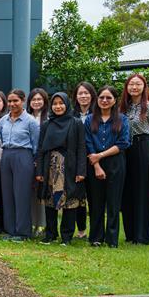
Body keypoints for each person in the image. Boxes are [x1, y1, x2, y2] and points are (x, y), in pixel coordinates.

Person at [35, 93, 86, 245]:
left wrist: (81, 171)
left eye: (61, 103)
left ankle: (66, 236)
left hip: (69, 167)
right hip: (49, 167)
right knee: (50, 201)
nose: (58, 106)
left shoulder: (76, 123)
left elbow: (81, 148)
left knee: (69, 202)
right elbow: (41, 149)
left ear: (67, 104)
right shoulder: (46, 124)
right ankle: (50, 234)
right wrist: (39, 172)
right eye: (55, 104)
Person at [85, 85, 130, 248]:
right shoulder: (90, 119)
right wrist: (96, 164)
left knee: (113, 202)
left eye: (108, 98)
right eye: (101, 98)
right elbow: (88, 142)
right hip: (94, 163)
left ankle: (112, 239)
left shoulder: (122, 119)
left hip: (115, 162)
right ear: (97, 100)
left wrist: (101, 155)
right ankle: (96, 237)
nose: (104, 101)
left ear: (114, 100)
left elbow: (123, 142)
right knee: (96, 203)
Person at [120, 73, 149, 245]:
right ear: (127, 87)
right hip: (125, 150)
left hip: (144, 147)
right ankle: (130, 235)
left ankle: (142, 236)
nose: (134, 87)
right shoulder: (123, 107)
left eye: (138, 84)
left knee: (143, 192)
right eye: (131, 84)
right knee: (127, 192)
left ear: (144, 87)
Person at [0, 89, 40, 242]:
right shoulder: (3, 121)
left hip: (24, 156)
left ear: (23, 101)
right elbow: (1, 140)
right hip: (7, 155)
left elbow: (36, 145)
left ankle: (23, 232)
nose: (12, 104)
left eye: (15, 101)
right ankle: (10, 230)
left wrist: (32, 161)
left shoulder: (30, 121)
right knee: (8, 194)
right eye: (9, 101)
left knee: (21, 194)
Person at [72, 81, 97, 239]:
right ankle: (81, 231)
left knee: (94, 197)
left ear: (92, 95)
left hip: (94, 159)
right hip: (76, 161)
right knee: (78, 198)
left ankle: (96, 231)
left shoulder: (99, 114)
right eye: (80, 93)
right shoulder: (71, 115)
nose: (83, 96)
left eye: (86, 93)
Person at [26, 87, 49, 235]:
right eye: (33, 99)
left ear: (45, 101)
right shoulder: (26, 117)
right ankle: (32, 223)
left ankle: (43, 225)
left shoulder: (49, 118)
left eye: (39, 99)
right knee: (30, 194)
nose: (36, 102)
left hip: (44, 161)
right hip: (28, 161)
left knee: (44, 193)